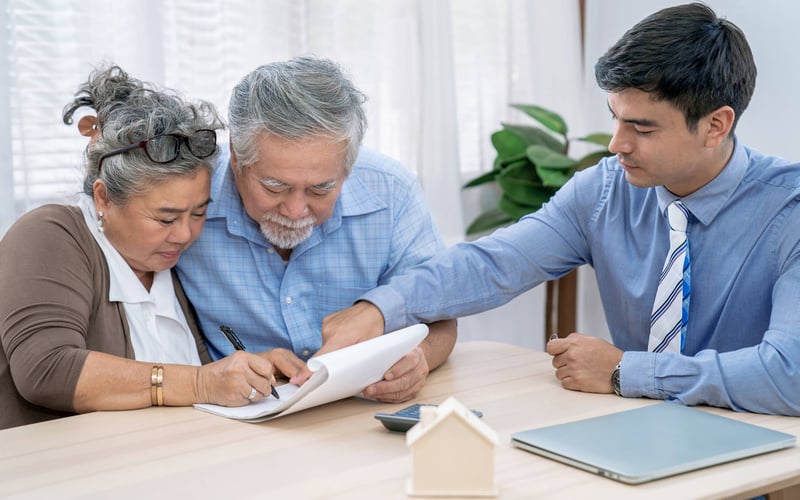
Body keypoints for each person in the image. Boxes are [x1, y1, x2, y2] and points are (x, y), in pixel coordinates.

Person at [318, 3, 800, 416]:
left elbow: (789, 374)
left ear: (716, 125)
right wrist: (380, 309)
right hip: (635, 438)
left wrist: (624, 371)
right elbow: (493, 263)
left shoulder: (790, 212)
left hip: (756, 449)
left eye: (643, 129)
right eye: (615, 118)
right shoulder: (606, 190)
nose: (617, 144)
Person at [0, 65, 295, 430]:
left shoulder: (164, 265)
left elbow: (184, 386)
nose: (185, 234)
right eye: (166, 218)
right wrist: (202, 382)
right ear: (104, 198)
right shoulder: (50, 234)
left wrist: (251, 377)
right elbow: (46, 369)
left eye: (199, 212)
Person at [175, 55, 456, 403]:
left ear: (348, 166)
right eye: (275, 187)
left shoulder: (392, 191)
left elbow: (439, 318)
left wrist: (421, 358)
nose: (295, 211)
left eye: (321, 189)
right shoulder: (187, 199)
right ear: (235, 156)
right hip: (238, 422)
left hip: (362, 412)